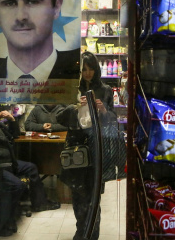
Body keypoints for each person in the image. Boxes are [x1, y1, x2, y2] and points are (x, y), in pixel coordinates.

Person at [0, 104, 60, 236]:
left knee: (31, 167)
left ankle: (40, 203)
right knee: (17, 185)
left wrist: (12, 120)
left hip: (8, 163)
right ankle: (0, 220)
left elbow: (15, 136)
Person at [56, 51, 117, 240]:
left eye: (91, 69)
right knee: (77, 195)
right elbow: (59, 117)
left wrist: (103, 110)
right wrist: (75, 107)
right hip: (75, 150)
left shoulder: (106, 90)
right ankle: (80, 231)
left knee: (93, 198)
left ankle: (91, 235)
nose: (88, 73)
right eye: (84, 69)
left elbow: (113, 121)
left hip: (96, 149)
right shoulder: (72, 89)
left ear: (97, 69)